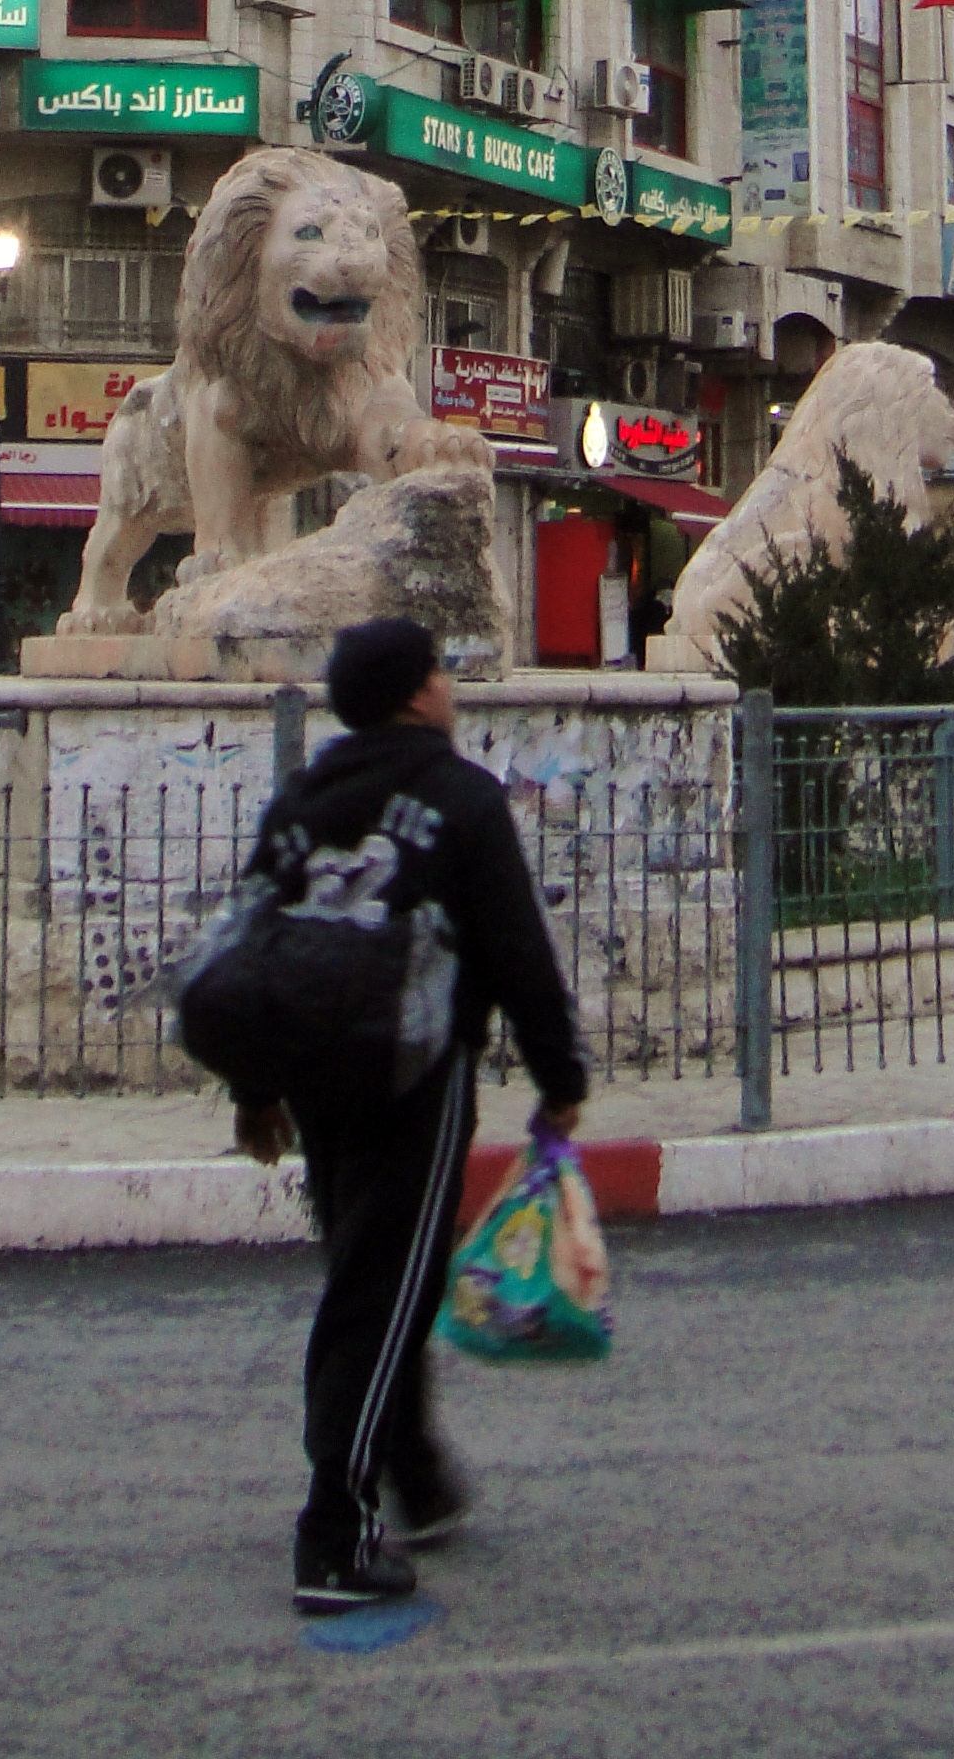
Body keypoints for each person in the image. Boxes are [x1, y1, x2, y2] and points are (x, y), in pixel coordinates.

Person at [233, 616, 588, 1618]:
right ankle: (334, 1536)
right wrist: (559, 1075)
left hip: (315, 1076)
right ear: (417, 691)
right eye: (440, 670)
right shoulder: (461, 799)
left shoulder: (303, 800)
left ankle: (414, 1468)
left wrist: (254, 1088)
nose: (449, 685)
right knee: (379, 1294)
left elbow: (252, 946)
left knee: (374, 1274)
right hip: (415, 1075)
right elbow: (515, 946)